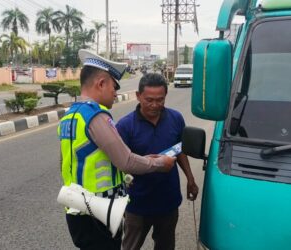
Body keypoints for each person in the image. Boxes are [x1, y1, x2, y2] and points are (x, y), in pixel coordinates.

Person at [57, 50, 176, 250]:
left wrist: (142, 160)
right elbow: (125, 161)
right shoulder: (96, 117)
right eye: (114, 86)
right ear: (101, 83)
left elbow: (69, 162)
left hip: (76, 207)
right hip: (99, 210)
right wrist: (159, 163)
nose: (115, 92)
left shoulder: (70, 116)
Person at [116, 73, 199, 250]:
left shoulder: (176, 118)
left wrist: (190, 179)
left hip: (168, 201)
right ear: (138, 96)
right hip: (136, 204)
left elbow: (180, 150)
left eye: (160, 100)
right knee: (130, 246)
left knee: (166, 246)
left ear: (165, 96)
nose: (155, 105)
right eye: (149, 100)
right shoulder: (125, 126)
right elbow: (120, 163)